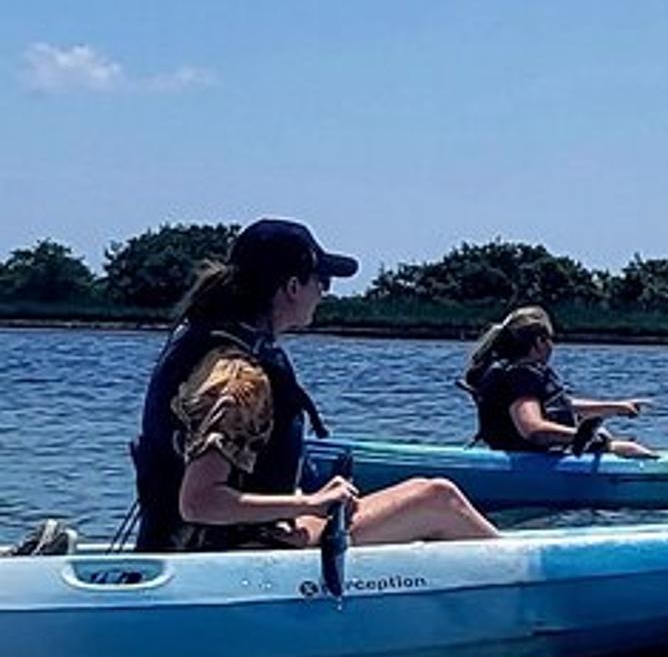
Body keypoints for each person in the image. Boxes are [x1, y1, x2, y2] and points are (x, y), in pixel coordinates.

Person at [132, 218, 499, 552]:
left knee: (393, 503)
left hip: (222, 542)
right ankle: (528, 583)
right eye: (321, 282)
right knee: (437, 497)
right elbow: (199, 502)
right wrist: (308, 503)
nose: (324, 293)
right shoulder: (238, 379)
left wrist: (301, 501)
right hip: (233, 556)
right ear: (292, 286)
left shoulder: (210, 348)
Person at [459, 306, 658, 458]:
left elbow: (560, 406)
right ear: (539, 342)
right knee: (631, 449)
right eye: (550, 339)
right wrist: (586, 438)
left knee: (618, 444)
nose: (552, 346)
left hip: (533, 455)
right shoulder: (521, 377)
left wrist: (616, 407)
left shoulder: (516, 373)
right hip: (531, 460)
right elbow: (533, 429)